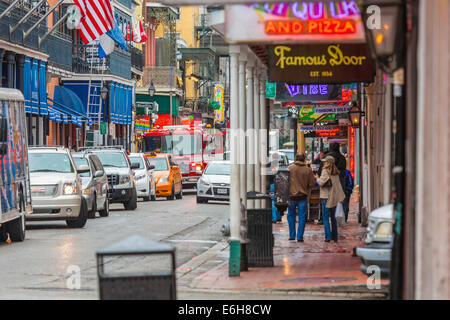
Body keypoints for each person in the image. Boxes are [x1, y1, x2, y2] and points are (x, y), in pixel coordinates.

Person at [287, 152, 316, 242]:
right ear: (304, 159)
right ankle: (300, 236)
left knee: (291, 215)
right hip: (302, 197)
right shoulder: (308, 170)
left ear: (295, 158)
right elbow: (312, 184)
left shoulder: (289, 168)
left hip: (291, 196)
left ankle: (292, 235)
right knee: (302, 217)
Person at [318, 156, 346, 243]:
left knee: (326, 217)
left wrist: (316, 179)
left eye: (325, 162)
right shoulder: (336, 173)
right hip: (334, 197)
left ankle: (328, 237)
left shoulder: (325, 171)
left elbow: (321, 182)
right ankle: (335, 236)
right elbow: (338, 186)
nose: (324, 163)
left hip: (326, 197)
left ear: (328, 163)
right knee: (333, 218)